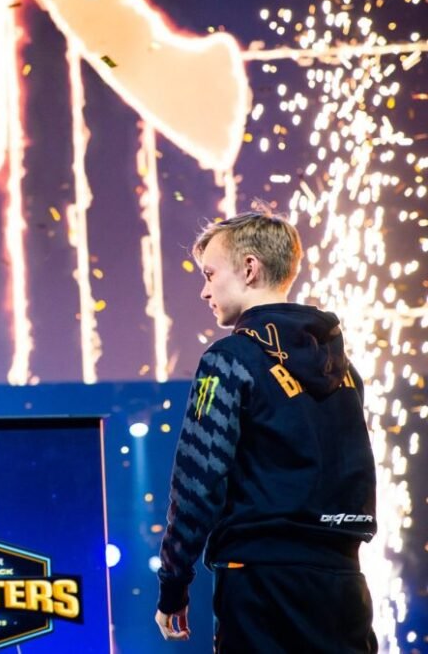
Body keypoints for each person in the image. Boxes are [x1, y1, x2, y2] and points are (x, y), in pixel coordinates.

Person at [155, 204, 377, 652]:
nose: (204, 291)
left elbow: (198, 481)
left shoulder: (229, 359)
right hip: (344, 583)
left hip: (260, 585)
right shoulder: (344, 369)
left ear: (249, 269)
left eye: (210, 274)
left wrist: (173, 584)